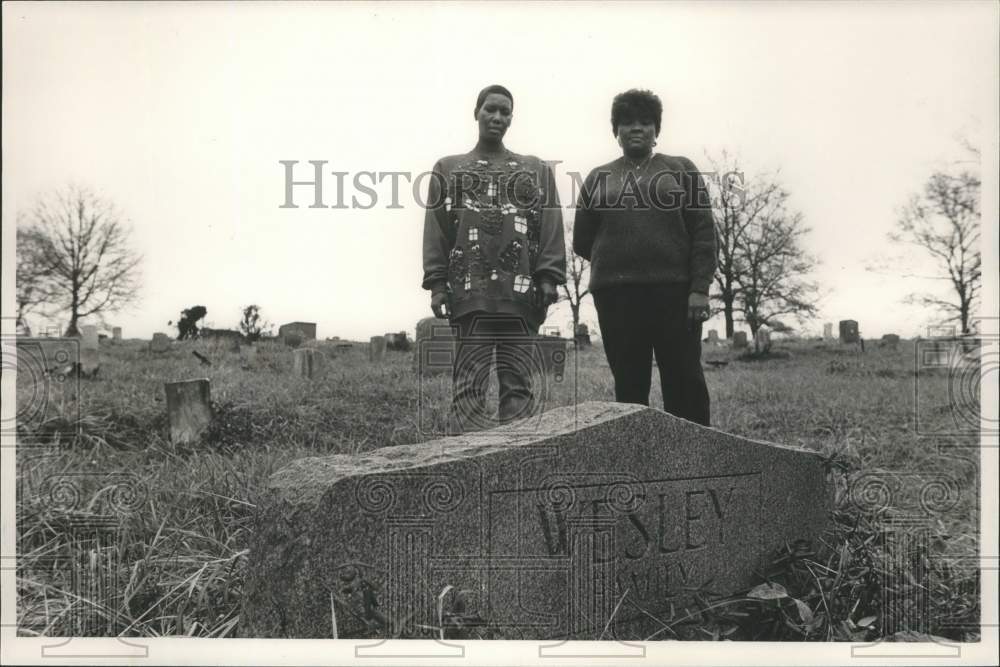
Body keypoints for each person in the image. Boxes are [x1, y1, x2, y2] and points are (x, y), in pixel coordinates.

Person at [422, 85, 565, 432]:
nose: (498, 117)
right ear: (477, 112)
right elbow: (436, 228)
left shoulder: (535, 169)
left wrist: (548, 276)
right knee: (469, 387)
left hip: (521, 295)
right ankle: (466, 471)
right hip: (470, 294)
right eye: (491, 109)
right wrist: (438, 283)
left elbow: (551, 223)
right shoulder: (449, 167)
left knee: (518, 386)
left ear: (512, 118)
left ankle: (515, 468)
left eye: (505, 112)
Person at [572, 89, 717, 425]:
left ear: (656, 130)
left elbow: (704, 232)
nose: (636, 128)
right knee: (629, 383)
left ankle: (696, 461)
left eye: (645, 122)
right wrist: (619, 258)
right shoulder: (598, 177)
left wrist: (699, 288)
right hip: (616, 296)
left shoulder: (680, 168)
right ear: (616, 131)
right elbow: (583, 240)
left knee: (684, 380)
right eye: (626, 123)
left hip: (676, 294)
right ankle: (638, 461)